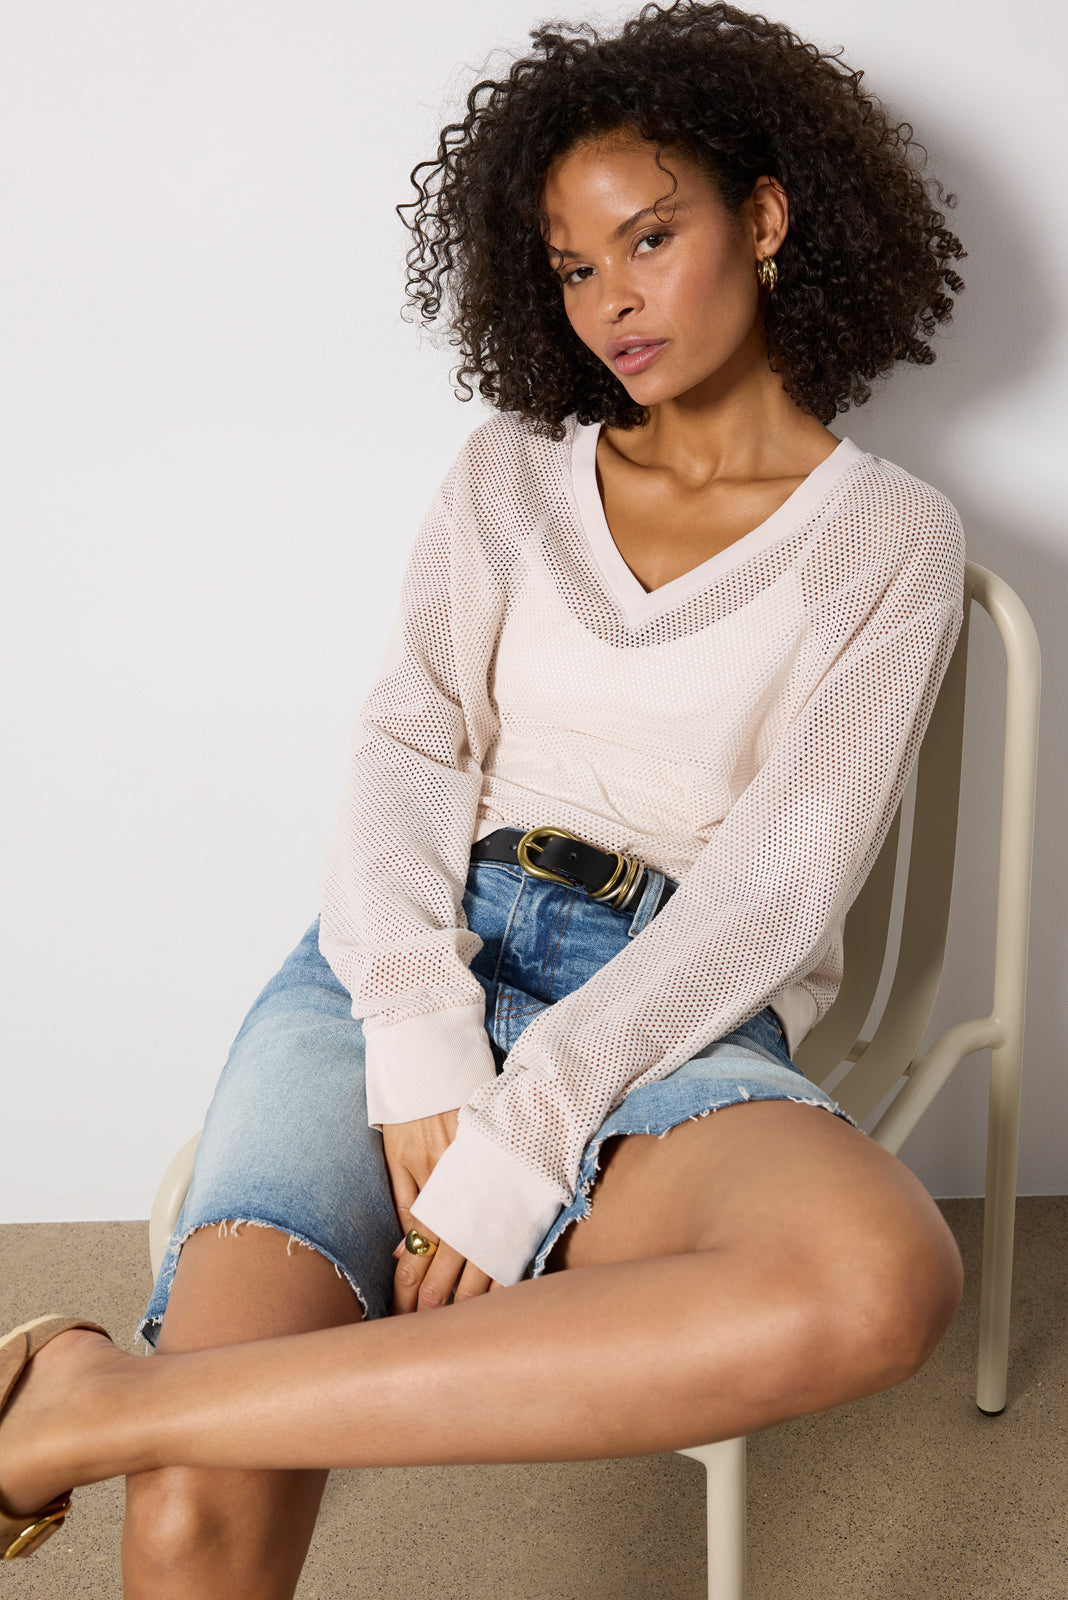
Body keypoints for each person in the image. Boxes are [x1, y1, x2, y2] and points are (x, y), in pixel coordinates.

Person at [0, 2, 968, 1593]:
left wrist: (532, 1121)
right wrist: (420, 1030)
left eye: (650, 238)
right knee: (193, 1508)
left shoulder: (891, 537)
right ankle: (134, 1416)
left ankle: (88, 1401)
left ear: (766, 217)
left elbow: (778, 888)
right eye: (575, 268)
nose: (612, 302)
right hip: (398, 960)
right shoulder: (509, 470)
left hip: (670, 1005)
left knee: (877, 1281)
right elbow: (405, 749)